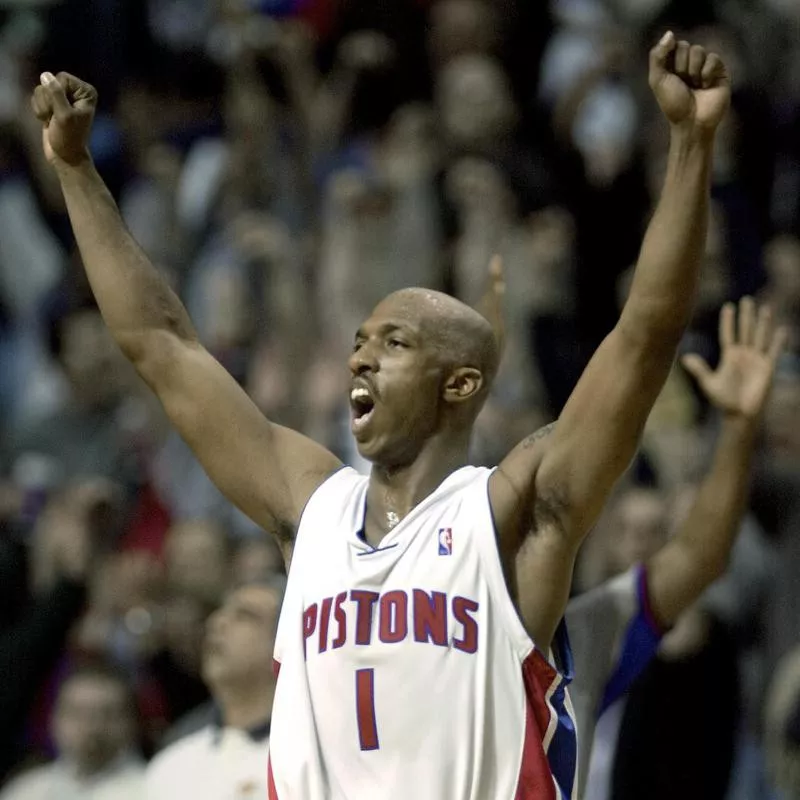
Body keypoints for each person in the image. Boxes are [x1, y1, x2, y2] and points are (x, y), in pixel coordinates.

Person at [31, 30, 730, 799]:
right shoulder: (313, 505)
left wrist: (691, 144)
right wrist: (74, 169)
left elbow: (643, 337)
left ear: (459, 385)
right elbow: (162, 345)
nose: (359, 358)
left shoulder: (508, 514)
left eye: (392, 343)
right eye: (359, 342)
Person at [563, 298, 787, 796]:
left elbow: (697, 562)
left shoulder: (691, 633)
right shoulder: (577, 628)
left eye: (654, 531)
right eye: (628, 531)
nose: (640, 543)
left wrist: (737, 429)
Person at [146, 579, 283, 800]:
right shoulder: (169, 765)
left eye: (245, 615)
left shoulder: (307, 757)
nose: (216, 622)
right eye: (220, 612)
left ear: (286, 642)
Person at [0, 665, 145, 800]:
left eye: (108, 714)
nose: (92, 726)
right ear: (54, 720)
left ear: (133, 722)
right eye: (78, 713)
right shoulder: (25, 791)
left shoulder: (152, 788)